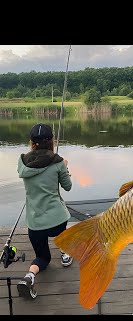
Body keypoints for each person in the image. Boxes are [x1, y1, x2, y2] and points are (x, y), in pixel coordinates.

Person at [16, 123, 74, 300]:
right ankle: (65, 254)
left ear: (32, 142)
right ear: (51, 141)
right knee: (61, 235)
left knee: (42, 258)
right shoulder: (58, 162)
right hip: (57, 220)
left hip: (35, 223)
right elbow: (68, 187)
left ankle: (29, 276)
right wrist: (65, 167)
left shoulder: (22, 162)